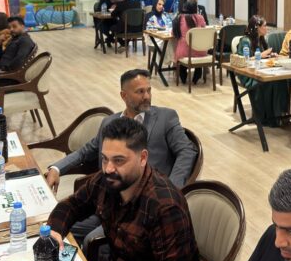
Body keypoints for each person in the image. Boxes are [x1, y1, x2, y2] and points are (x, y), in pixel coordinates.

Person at [47, 117, 203, 261]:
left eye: (119, 160)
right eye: (104, 159)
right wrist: (55, 231)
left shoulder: (165, 207)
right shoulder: (108, 180)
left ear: (142, 158)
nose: (108, 168)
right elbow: (72, 205)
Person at [46, 69, 197, 242]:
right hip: (108, 201)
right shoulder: (110, 123)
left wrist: (171, 190)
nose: (147, 96)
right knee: (56, 227)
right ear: (123, 95)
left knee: (91, 240)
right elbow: (86, 150)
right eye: (140, 92)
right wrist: (57, 168)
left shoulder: (165, 117)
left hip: (144, 206)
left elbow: (187, 151)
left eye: (148, 90)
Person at [237, 15, 288, 128]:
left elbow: (263, 56)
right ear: (257, 28)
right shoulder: (245, 41)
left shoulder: (261, 39)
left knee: (280, 80)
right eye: (264, 26)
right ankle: (265, 117)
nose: (267, 28)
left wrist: (271, 55)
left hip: (260, 69)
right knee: (268, 83)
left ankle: (279, 115)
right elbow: (243, 60)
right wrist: (261, 55)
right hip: (248, 73)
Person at [172, 2, 207, 84]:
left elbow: (173, 34)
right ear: (195, 9)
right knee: (196, 51)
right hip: (200, 50)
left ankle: (183, 75)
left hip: (184, 51)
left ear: (184, 9)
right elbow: (204, 30)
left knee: (180, 50)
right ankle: (198, 72)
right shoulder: (200, 17)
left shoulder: (180, 18)